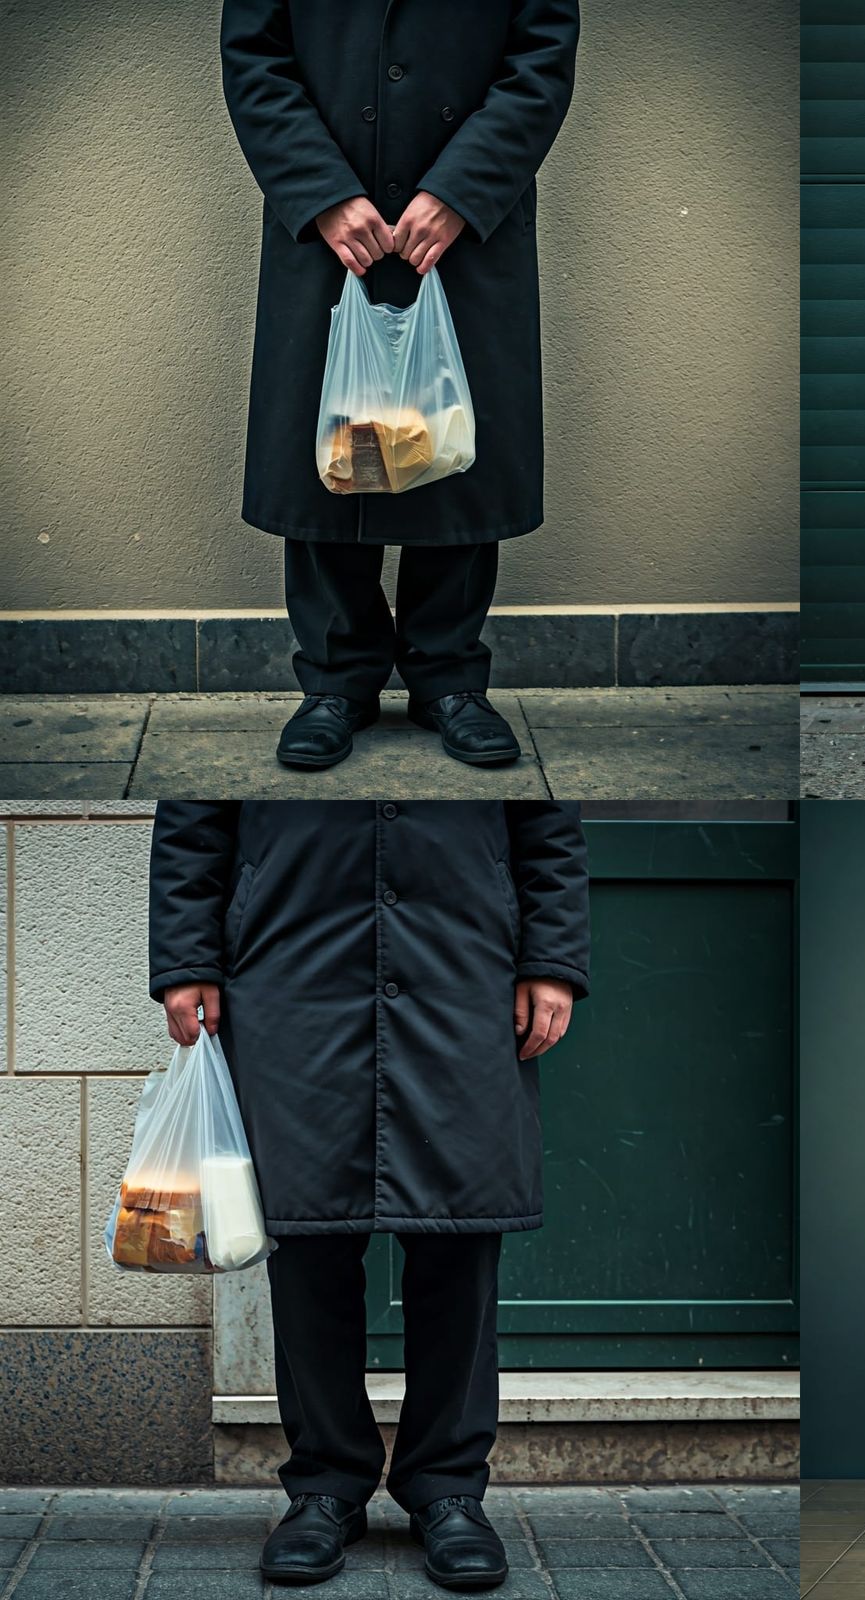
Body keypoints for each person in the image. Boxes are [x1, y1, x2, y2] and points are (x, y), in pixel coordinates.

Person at [149, 800, 590, 1590]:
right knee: (308, 1241)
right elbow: (193, 818)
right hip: (292, 969)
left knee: (459, 1238)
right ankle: (325, 1487)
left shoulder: (495, 709)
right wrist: (187, 961)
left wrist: (551, 957)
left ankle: (448, 1489)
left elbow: (547, 820)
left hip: (463, 973)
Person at [220, 2, 580, 771]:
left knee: (454, 451)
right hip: (327, 225)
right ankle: (333, 684)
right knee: (327, 455)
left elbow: (540, 55)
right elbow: (255, 55)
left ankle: (449, 679)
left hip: (468, 224)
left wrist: (462, 189)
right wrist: (320, 191)